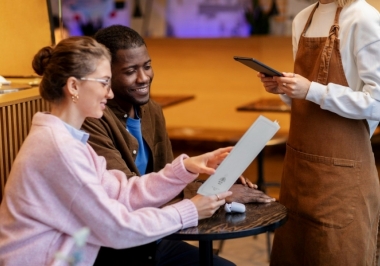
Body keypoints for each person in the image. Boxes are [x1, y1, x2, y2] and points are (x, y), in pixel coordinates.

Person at [0, 36, 236, 266]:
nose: (110, 93)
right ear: (73, 86)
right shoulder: (58, 149)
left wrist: (184, 168)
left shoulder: (66, 140)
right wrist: (189, 210)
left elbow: (123, 193)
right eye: (104, 82)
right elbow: (116, 228)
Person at [81, 25, 275, 265]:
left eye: (147, 66)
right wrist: (216, 194)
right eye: (130, 71)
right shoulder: (92, 120)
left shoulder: (152, 110)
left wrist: (218, 183)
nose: (143, 78)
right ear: (105, 75)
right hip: (117, 248)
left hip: (157, 239)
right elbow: (129, 196)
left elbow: (168, 179)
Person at [258, 0, 380, 265]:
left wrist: (311, 90)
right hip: (298, 172)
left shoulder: (364, 18)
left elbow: (377, 101)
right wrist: (285, 89)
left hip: (342, 178)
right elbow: (307, 99)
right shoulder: (302, 19)